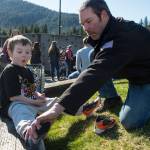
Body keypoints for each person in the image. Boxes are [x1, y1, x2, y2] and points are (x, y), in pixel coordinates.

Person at [26, 0, 150, 140]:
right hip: (134, 73)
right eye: (82, 24)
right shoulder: (111, 30)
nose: (85, 28)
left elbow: (95, 72)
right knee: (93, 55)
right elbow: (98, 66)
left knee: (129, 122)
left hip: (146, 79)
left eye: (89, 21)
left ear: (103, 15)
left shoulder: (124, 36)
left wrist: (56, 109)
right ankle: (112, 98)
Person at [0, 35, 61, 150]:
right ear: (10, 52)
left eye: (28, 52)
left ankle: (83, 108)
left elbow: (31, 91)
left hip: (29, 102)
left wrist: (39, 96)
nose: (24, 55)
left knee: (56, 101)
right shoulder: (9, 70)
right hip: (13, 105)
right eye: (20, 51)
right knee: (22, 114)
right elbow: (14, 97)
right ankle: (31, 134)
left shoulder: (27, 71)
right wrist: (34, 101)